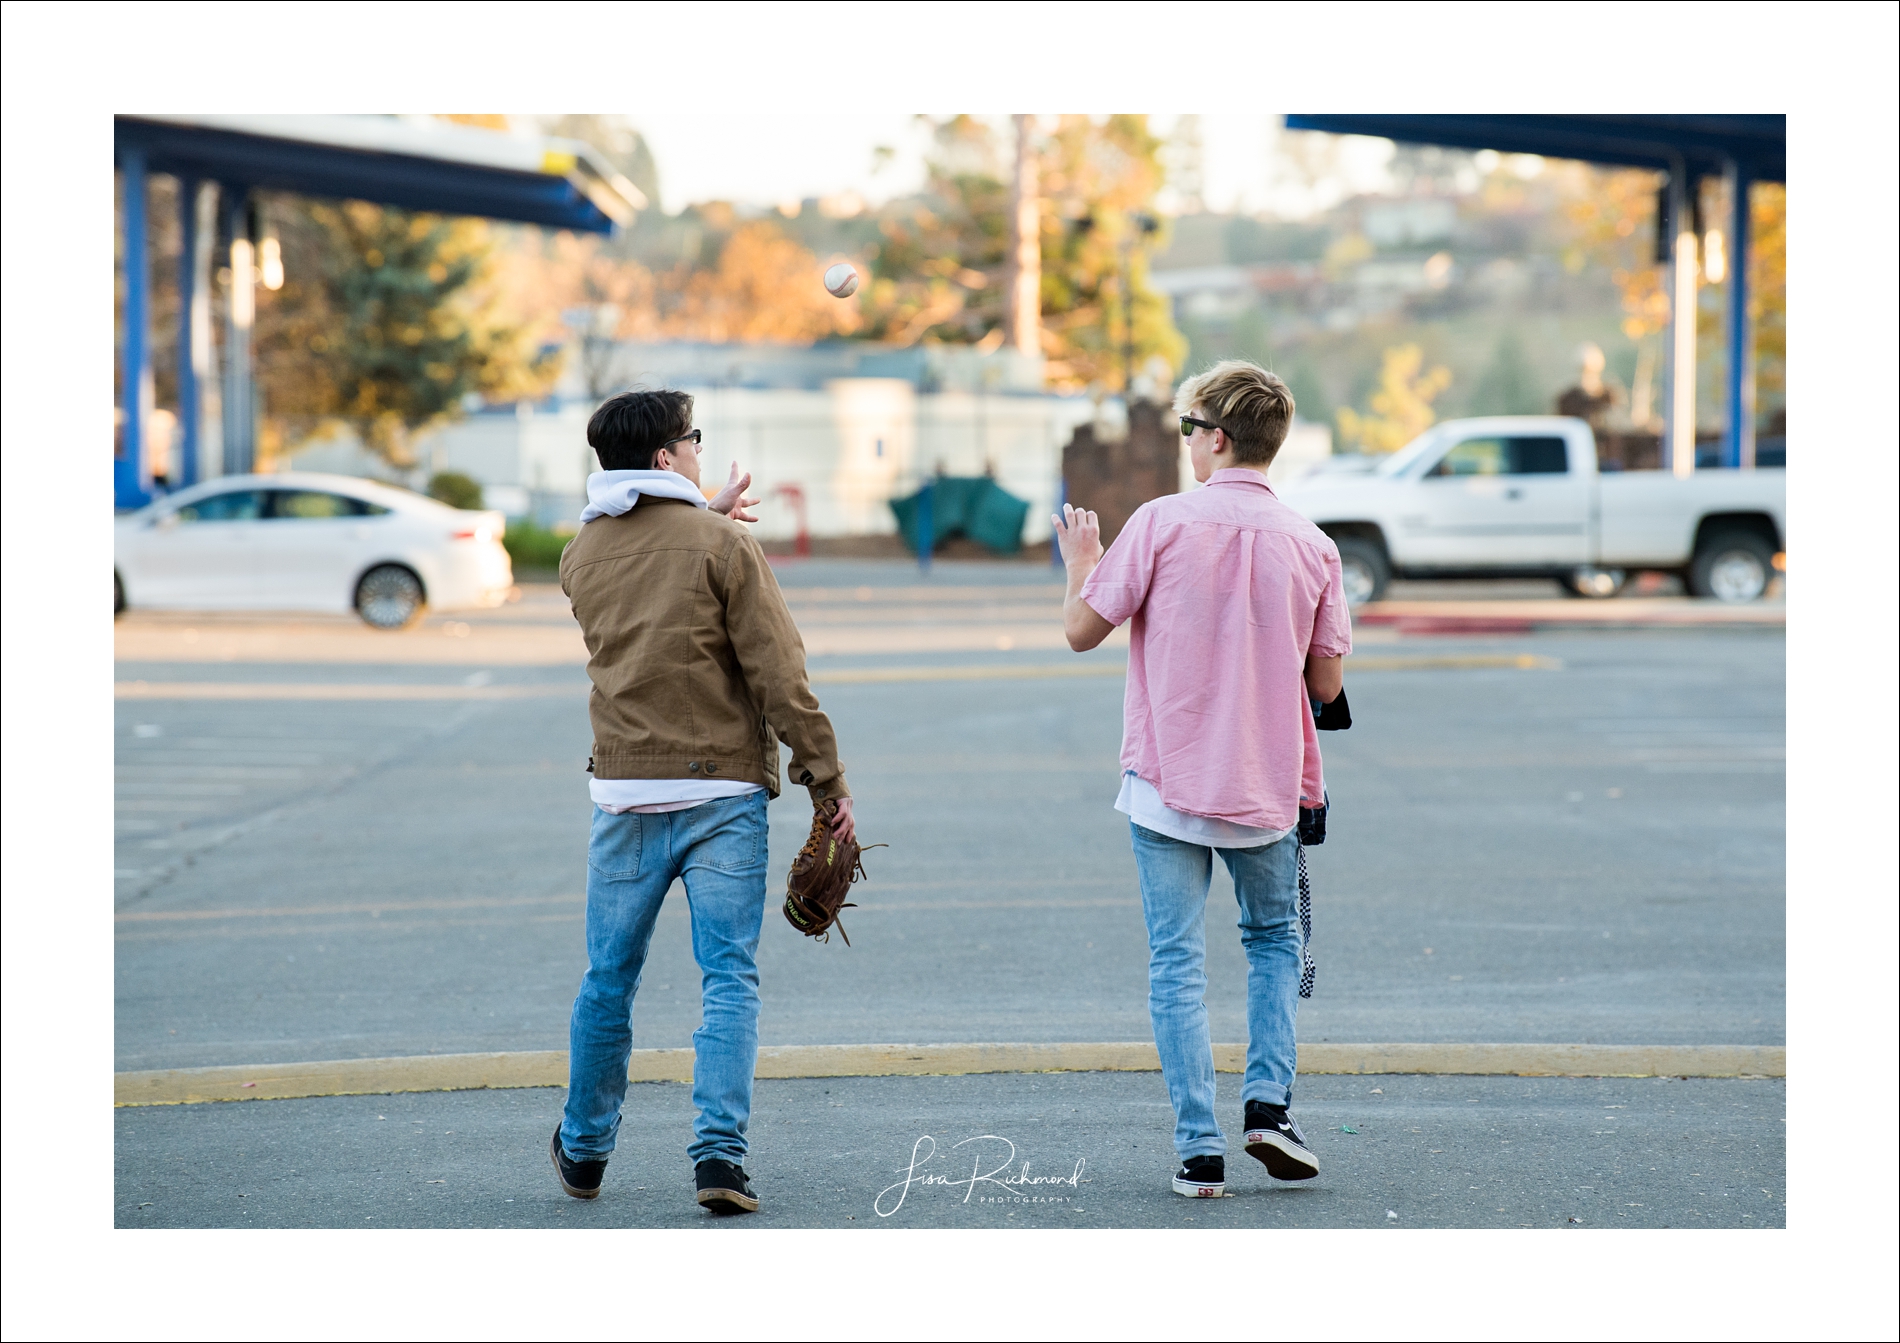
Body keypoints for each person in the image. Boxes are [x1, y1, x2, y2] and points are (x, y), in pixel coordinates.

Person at [550, 388, 856, 1214]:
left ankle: (583, 1149)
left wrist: (703, 516)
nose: (696, 450)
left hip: (623, 798)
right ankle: (718, 1159)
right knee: (728, 976)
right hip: (720, 792)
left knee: (608, 979)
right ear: (663, 460)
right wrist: (826, 783)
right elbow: (780, 675)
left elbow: (649, 565)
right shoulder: (722, 547)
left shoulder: (581, 555)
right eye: (691, 441)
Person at [1052, 359, 1351, 1198]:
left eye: (1190, 430)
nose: (1188, 443)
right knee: (1271, 941)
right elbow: (1326, 685)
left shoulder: (1158, 525)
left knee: (1177, 962)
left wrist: (1083, 561)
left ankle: (1199, 1150)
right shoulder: (1313, 545)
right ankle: (1268, 1107)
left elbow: (1082, 631)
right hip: (1265, 788)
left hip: (1167, 784)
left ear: (1217, 438)